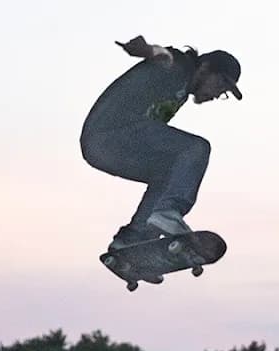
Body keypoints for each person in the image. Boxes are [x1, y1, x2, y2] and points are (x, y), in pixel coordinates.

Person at [80, 35, 242, 252]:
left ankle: (132, 240)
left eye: (224, 93)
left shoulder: (181, 93)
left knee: (169, 173)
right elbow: (163, 56)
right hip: (112, 131)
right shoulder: (181, 65)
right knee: (196, 149)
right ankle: (169, 211)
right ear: (204, 67)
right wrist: (146, 49)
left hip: (101, 149)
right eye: (221, 84)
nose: (218, 93)